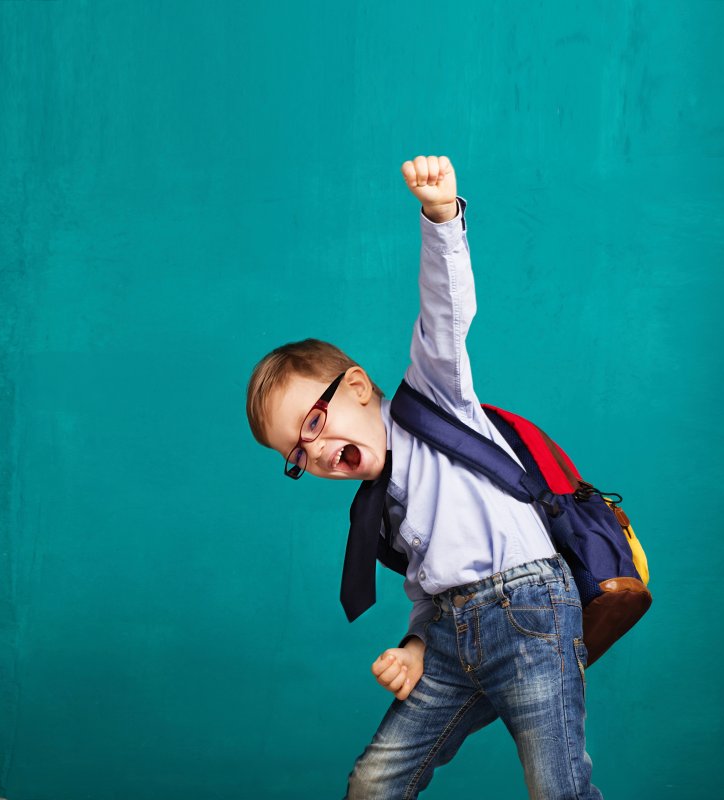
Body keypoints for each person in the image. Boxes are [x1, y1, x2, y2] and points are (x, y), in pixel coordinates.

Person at [245, 155, 602, 799]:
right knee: (374, 783)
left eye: (315, 421)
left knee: (558, 788)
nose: (316, 451)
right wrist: (414, 646)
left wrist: (440, 218)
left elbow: (446, 312)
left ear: (356, 386)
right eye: (297, 455)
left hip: (527, 612)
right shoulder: (374, 509)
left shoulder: (434, 398)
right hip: (446, 635)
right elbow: (424, 587)